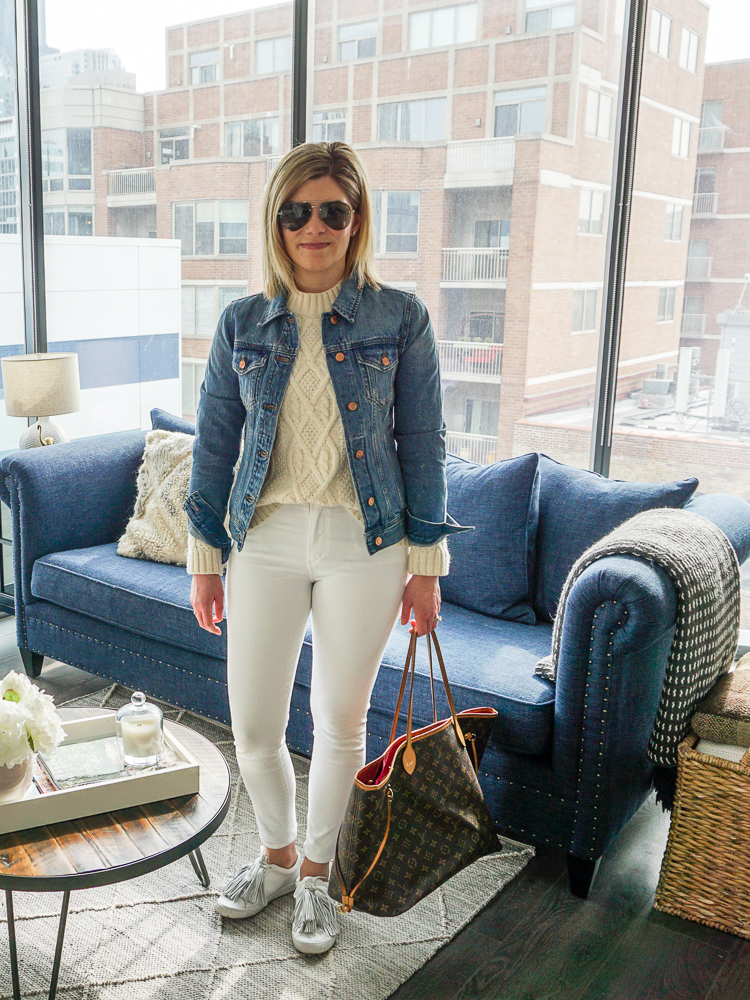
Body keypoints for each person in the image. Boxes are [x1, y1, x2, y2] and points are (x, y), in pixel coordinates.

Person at [184, 141, 463, 955]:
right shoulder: (241, 322)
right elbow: (212, 448)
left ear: (357, 218)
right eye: (295, 211)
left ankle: (316, 875)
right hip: (262, 541)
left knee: (339, 722)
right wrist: (206, 562)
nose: (314, 227)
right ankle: (273, 855)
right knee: (255, 727)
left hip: (365, 544)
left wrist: (427, 569)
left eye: (332, 210)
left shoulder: (399, 317)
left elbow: (424, 443)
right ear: (275, 221)